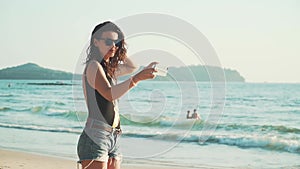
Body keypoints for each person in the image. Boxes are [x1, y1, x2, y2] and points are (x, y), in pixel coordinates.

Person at [77, 21, 158, 169]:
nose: (113, 46)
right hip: (96, 136)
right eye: (108, 41)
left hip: (113, 136)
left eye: (117, 42)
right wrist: (137, 78)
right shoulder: (93, 66)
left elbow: (131, 66)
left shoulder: (109, 69)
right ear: (96, 41)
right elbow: (109, 94)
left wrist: (118, 49)